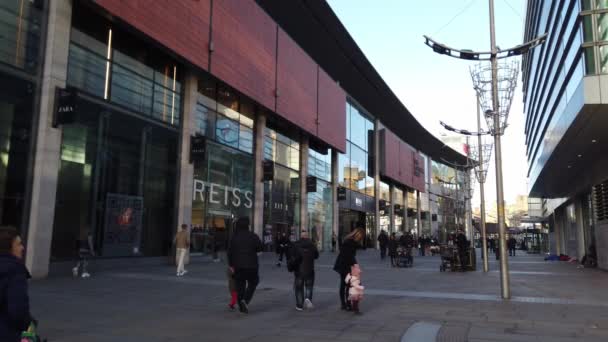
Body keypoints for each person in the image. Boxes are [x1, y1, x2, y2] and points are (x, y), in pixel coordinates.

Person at [0, 226, 32, 342]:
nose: (22, 248)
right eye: (18, 244)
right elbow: (18, 310)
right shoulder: (15, 270)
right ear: (8, 248)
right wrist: (29, 327)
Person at [228, 217, 263, 314]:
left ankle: (241, 303)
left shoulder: (234, 237)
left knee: (240, 286)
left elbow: (230, 252)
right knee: (253, 282)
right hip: (252, 265)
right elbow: (260, 248)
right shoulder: (253, 236)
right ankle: (245, 300)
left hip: (238, 265)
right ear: (248, 225)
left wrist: (231, 265)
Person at [333, 227, 364, 311]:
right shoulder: (350, 242)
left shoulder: (349, 241)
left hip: (344, 265)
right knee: (347, 285)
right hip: (345, 266)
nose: (361, 239)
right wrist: (355, 265)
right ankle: (347, 304)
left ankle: (345, 304)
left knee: (344, 285)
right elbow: (348, 256)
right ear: (358, 235)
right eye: (360, 237)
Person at [291, 229, 319, 311]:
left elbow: (292, 256)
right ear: (307, 236)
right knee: (309, 286)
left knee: (299, 287)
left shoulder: (296, 244)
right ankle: (308, 298)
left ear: (301, 236)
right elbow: (316, 256)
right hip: (310, 269)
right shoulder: (312, 245)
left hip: (299, 270)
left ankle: (299, 305)